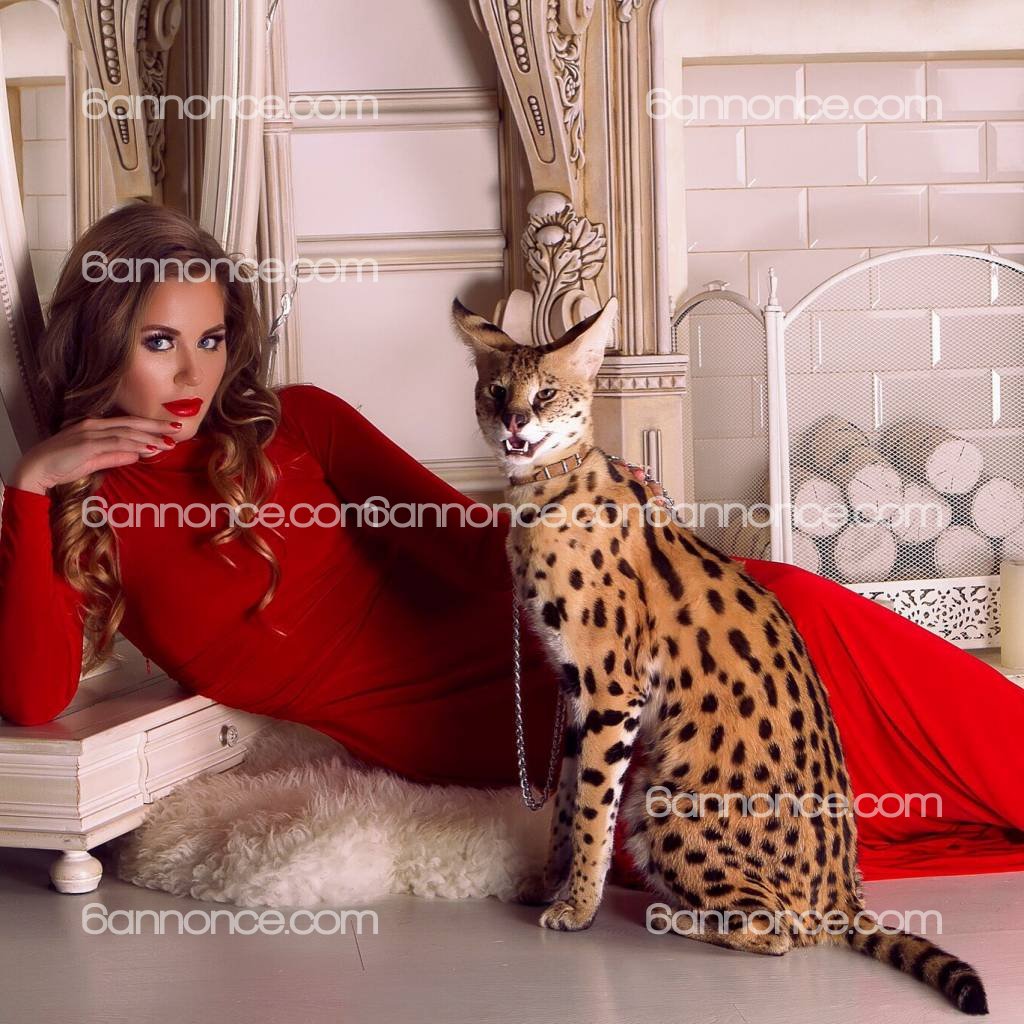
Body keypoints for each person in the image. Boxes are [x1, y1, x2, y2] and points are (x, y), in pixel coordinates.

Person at [1, 202, 1022, 889]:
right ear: (101, 339)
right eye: (160, 342)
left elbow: (476, 543)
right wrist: (32, 485)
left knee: (787, 605)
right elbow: (32, 698)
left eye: (212, 339)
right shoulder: (87, 516)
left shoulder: (299, 424)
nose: (193, 375)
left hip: (561, 644)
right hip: (505, 732)